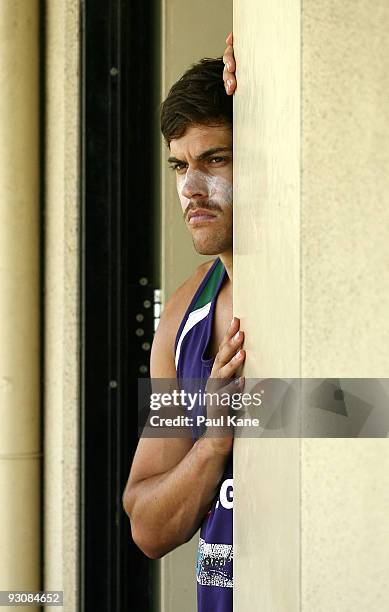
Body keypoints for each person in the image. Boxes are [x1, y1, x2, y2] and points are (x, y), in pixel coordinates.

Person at [123, 34, 239, 612]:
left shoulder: (325, 287)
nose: (191, 188)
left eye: (214, 159)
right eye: (180, 165)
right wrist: (211, 445)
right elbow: (146, 522)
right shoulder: (181, 319)